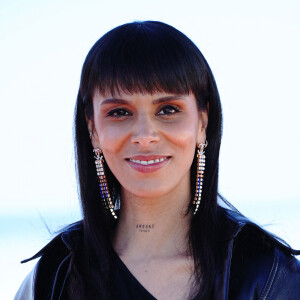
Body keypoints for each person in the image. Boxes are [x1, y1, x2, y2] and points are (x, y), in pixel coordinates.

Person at [15, 21, 300, 300]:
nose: (144, 136)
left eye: (168, 109)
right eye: (119, 112)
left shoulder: (267, 272)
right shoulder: (54, 275)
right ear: (93, 130)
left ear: (202, 122)